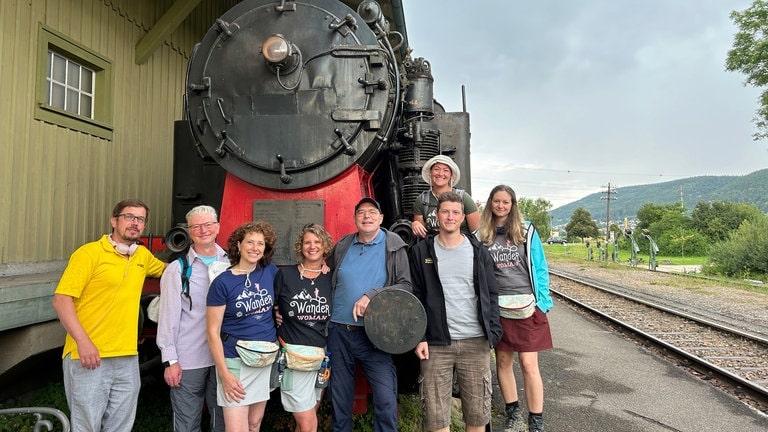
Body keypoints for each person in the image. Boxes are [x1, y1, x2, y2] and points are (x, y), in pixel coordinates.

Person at [52, 199, 166, 432]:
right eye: (129, 217)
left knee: (121, 427)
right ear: (114, 220)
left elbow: (168, 270)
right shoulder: (88, 254)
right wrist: (83, 343)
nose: (135, 223)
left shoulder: (141, 256)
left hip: (127, 357)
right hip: (89, 355)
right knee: (86, 426)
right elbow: (61, 301)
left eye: (140, 219)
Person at [409, 191, 502, 432]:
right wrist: (420, 336)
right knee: (436, 417)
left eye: (455, 212)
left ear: (462, 217)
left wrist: (492, 331)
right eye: (445, 212)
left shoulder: (478, 251)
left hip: (475, 341)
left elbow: (491, 293)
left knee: (477, 415)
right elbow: (416, 296)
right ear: (437, 215)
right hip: (436, 344)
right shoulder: (421, 252)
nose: (450, 217)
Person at [325, 197, 412, 432]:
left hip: (375, 335)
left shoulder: (393, 246)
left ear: (381, 218)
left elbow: (405, 286)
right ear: (354, 219)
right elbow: (324, 274)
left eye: (372, 212)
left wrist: (372, 295)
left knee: (384, 397)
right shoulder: (343, 245)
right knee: (339, 397)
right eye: (361, 212)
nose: (367, 216)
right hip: (339, 332)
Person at [477, 185, 554, 432]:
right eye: (497, 201)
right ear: (490, 203)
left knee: (530, 365)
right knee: (502, 362)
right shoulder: (482, 233)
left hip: (527, 307)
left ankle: (536, 420)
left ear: (513, 205)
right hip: (498, 308)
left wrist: (542, 302)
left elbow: (540, 266)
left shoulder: (526, 230)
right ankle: (513, 413)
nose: (501, 206)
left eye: (506, 202)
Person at [157, 205, 227, 432]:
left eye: (208, 225)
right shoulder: (177, 270)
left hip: (224, 358)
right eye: (197, 226)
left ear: (217, 227)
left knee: (223, 421)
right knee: (187, 423)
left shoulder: (231, 264)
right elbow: (168, 319)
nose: (203, 230)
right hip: (189, 358)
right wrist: (170, 361)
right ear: (189, 231)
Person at [206, 221, 280, 432]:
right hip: (235, 362)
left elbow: (287, 292)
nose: (255, 248)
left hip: (264, 359)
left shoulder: (270, 271)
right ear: (238, 245)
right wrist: (224, 374)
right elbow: (212, 332)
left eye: (260, 243)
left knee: (254, 424)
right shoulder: (222, 283)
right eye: (250, 242)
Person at [273, 223, 334, 432]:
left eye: (317, 241)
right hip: (293, 358)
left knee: (306, 420)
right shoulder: (285, 275)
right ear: (300, 246)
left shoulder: (331, 277)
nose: (312, 246)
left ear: (325, 246)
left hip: (320, 359)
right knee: (308, 423)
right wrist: (275, 313)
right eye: (307, 242)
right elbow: (269, 305)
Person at [411, 154, 479, 238]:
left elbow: (476, 231)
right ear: (430, 173)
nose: (440, 173)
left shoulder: (463, 198)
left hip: (461, 246)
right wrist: (415, 224)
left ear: (451, 175)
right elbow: (421, 234)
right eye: (436, 169)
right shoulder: (422, 200)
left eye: (446, 170)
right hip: (433, 248)